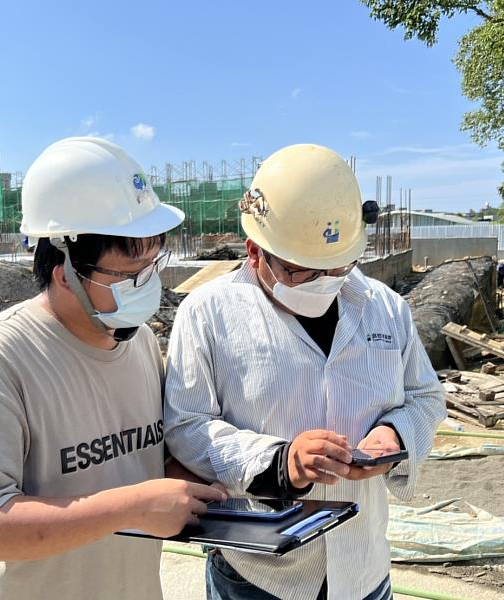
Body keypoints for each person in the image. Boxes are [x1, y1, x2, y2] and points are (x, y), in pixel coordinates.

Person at [0, 137, 225, 600]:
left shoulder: (141, 343)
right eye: (128, 274)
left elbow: (140, 462)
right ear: (65, 271)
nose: (148, 285)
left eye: (153, 264)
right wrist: (134, 506)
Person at [164, 144, 446, 600]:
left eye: (338, 268)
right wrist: (280, 462)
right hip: (259, 572)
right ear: (255, 252)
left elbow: (427, 398)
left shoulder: (384, 308)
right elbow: (186, 426)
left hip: (363, 568)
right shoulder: (207, 313)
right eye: (300, 272)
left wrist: (395, 435)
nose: (323, 283)